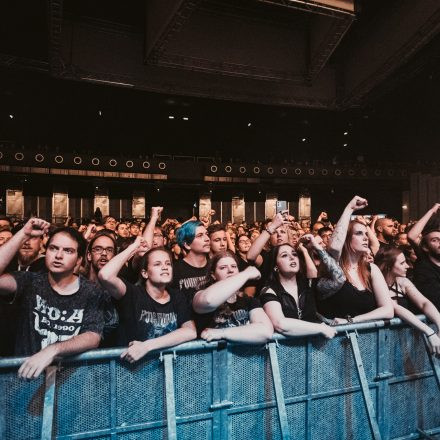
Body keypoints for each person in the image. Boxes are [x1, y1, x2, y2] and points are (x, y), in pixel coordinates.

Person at [0, 219, 104, 378]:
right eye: (53, 248)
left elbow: (93, 336)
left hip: (70, 383)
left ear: (79, 260)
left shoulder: (90, 291)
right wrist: (23, 235)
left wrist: (53, 350)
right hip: (26, 379)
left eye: (68, 251)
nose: (58, 255)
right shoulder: (30, 282)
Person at [98, 237, 197, 362]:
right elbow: (105, 275)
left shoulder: (177, 296)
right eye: (157, 264)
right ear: (145, 273)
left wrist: (147, 346)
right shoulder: (133, 293)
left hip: (166, 370)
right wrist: (133, 247)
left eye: (168, 264)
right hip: (133, 372)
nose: (165, 267)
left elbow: (190, 331)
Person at [317, 196, 394, 324]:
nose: (365, 238)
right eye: (359, 233)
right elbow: (335, 247)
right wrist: (349, 209)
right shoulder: (333, 267)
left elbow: (387, 310)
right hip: (336, 340)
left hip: (366, 339)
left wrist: (351, 321)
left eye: (365, 234)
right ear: (346, 239)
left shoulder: (371, 269)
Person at [259, 238, 337, 339]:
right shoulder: (269, 290)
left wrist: (317, 248)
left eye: (294, 254)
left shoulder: (308, 284)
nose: (292, 257)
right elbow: (280, 324)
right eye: (284, 255)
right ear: (276, 266)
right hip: (287, 351)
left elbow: (339, 279)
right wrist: (319, 328)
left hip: (316, 349)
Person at [192, 251, 273, 343]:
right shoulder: (200, 294)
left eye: (234, 266)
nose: (230, 270)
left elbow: (265, 331)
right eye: (223, 268)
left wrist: (222, 333)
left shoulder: (248, 300)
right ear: (213, 275)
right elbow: (208, 301)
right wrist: (246, 274)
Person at [375, 246, 440, 354]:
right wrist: (429, 332)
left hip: (405, 342)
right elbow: (395, 308)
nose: (407, 266)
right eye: (402, 263)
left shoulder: (402, 282)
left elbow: (424, 303)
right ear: (388, 266)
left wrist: (439, 323)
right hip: (382, 343)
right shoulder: (376, 284)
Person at [172, 220, 211, 301]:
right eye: (200, 235)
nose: (207, 239)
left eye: (206, 234)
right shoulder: (175, 270)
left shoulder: (215, 266)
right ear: (187, 244)